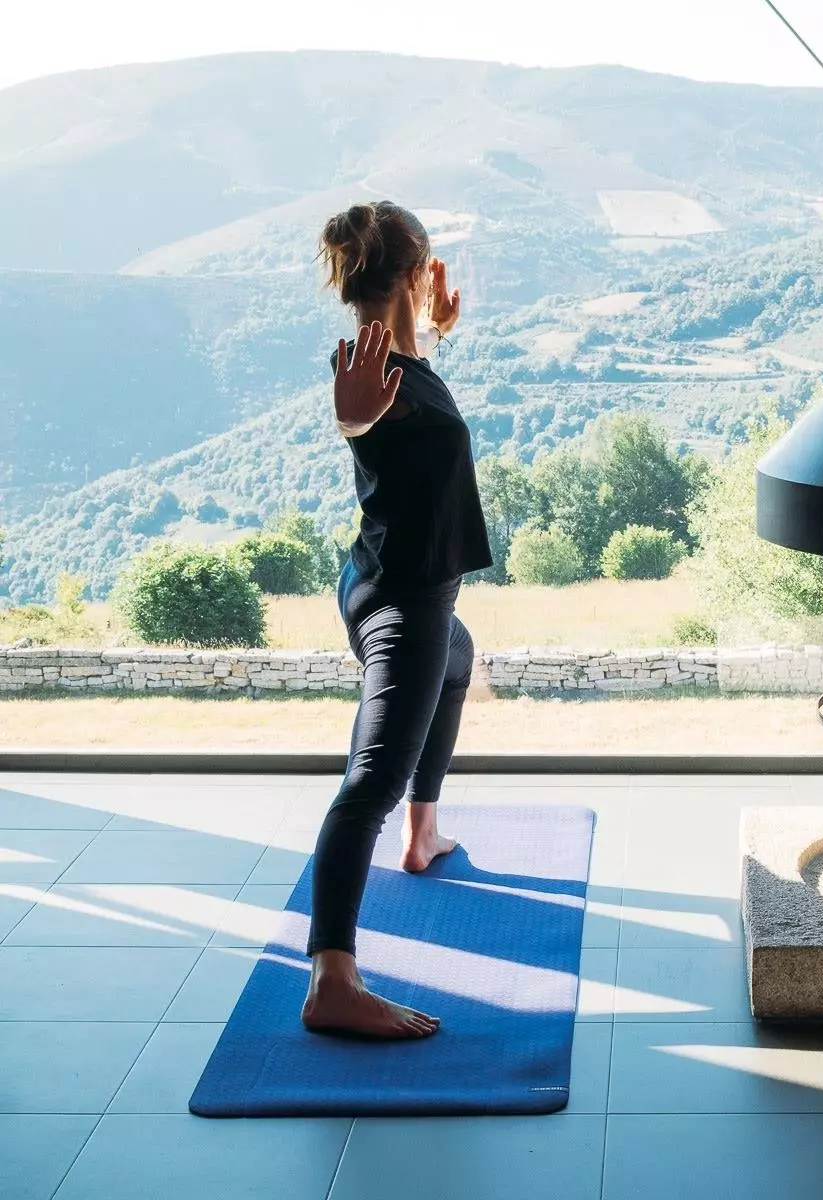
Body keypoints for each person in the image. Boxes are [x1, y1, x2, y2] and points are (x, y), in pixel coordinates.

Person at [299, 201, 492, 1039]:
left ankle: (426, 834)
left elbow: (401, 400)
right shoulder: (369, 378)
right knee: (366, 784)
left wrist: (438, 334)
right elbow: (366, 418)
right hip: (403, 603)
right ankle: (331, 981)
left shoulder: (398, 358)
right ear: (415, 273)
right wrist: (350, 418)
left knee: (458, 659)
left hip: (398, 584)